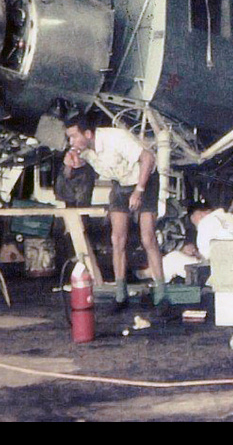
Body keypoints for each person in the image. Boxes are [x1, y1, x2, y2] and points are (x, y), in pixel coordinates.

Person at [64, 110, 166, 313]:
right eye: (69, 137)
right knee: (117, 239)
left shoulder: (114, 138)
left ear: (88, 134)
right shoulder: (83, 150)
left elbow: (148, 159)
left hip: (144, 180)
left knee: (147, 238)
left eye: (74, 136)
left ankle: (162, 294)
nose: (71, 141)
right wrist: (69, 164)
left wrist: (139, 190)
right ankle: (121, 295)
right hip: (120, 184)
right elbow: (69, 175)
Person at [160, 201, 233, 282]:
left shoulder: (205, 223)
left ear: (198, 214)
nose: (196, 227)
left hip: (223, 272)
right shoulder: (232, 217)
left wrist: (194, 252)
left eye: (195, 223)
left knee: (172, 258)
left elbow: (205, 259)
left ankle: (156, 287)